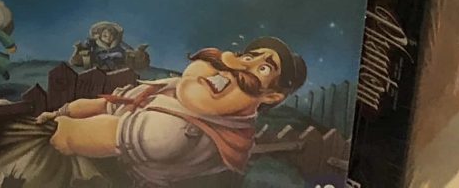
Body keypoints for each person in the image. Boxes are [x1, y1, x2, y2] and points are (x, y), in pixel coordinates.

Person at [38, 39, 305, 182]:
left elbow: (71, 137)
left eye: (263, 69)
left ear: (271, 96)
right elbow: (112, 103)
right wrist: (62, 111)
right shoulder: (185, 92)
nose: (239, 67)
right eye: (248, 57)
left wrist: (54, 127)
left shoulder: (175, 131)